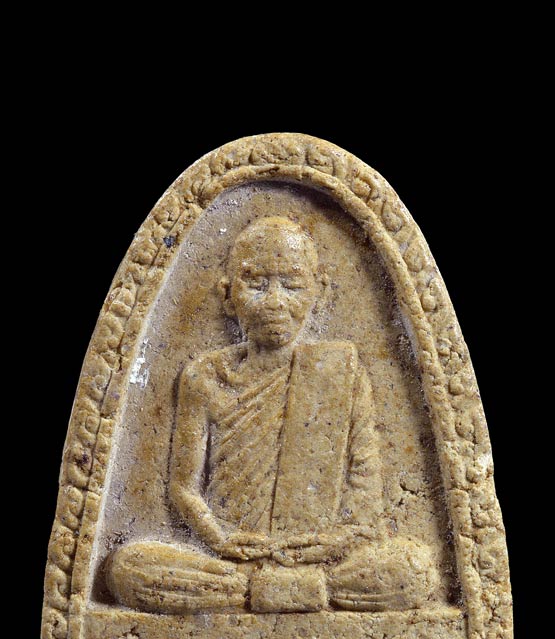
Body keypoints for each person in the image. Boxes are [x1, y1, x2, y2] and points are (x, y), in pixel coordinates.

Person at [106, 216, 439, 613]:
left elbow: (365, 501)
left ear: (320, 291)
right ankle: (278, 590)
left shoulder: (342, 371)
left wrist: (333, 542)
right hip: (231, 561)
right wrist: (219, 539)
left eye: (292, 285)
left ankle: (272, 591)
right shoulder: (205, 376)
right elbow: (184, 488)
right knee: (128, 567)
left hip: (318, 561)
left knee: (416, 568)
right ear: (227, 294)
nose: (275, 302)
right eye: (257, 284)